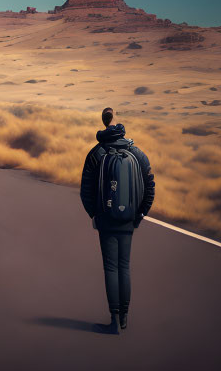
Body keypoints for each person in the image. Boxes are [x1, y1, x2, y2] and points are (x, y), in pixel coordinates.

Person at [79, 107, 155, 333]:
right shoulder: (137, 153)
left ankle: (113, 321)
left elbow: (86, 191)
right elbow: (150, 187)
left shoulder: (96, 153)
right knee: (124, 266)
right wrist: (140, 214)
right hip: (128, 220)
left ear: (102, 123)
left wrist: (94, 215)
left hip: (106, 219)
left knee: (111, 267)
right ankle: (125, 318)